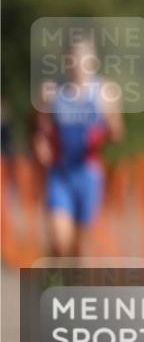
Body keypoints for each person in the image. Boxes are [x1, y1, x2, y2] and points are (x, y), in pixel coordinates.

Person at [32, 35, 124, 257]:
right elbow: (39, 126)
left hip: (89, 175)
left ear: (93, 61)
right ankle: (53, 280)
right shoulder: (51, 92)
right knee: (60, 238)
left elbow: (118, 134)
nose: (78, 65)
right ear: (66, 60)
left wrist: (110, 126)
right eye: (73, 59)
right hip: (61, 174)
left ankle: (71, 288)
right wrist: (40, 143)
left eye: (83, 59)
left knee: (79, 247)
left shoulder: (105, 93)